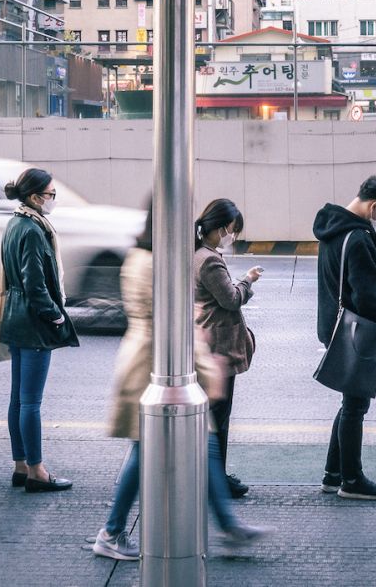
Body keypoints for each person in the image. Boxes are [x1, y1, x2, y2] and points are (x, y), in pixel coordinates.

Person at [94, 205, 269, 560]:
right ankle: (112, 531)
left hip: (155, 362)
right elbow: (176, 321)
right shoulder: (156, 265)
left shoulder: (144, 258)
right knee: (160, 447)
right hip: (157, 365)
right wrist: (205, 368)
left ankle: (229, 526)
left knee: (196, 443)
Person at [313, 175, 376, 500]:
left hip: (334, 325)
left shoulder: (333, 228)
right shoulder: (360, 237)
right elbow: (366, 295)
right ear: (375, 206)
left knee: (350, 400)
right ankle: (352, 480)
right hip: (358, 329)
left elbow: (342, 272)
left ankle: (333, 474)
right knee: (355, 404)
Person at [0, 168, 79, 493]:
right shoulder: (33, 230)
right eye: (51, 194)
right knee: (31, 402)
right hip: (34, 322)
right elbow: (35, 284)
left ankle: (21, 465)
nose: (53, 200)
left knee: (18, 398)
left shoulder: (14, 223)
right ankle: (37, 470)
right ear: (35, 197)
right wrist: (55, 316)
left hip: (15, 316)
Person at [194, 199, 261, 499]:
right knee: (218, 417)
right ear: (221, 228)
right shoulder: (209, 260)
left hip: (209, 342)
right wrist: (247, 281)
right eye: (233, 231)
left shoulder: (198, 254)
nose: (233, 236)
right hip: (219, 347)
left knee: (214, 415)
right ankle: (215, 478)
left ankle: (212, 475)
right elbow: (231, 299)